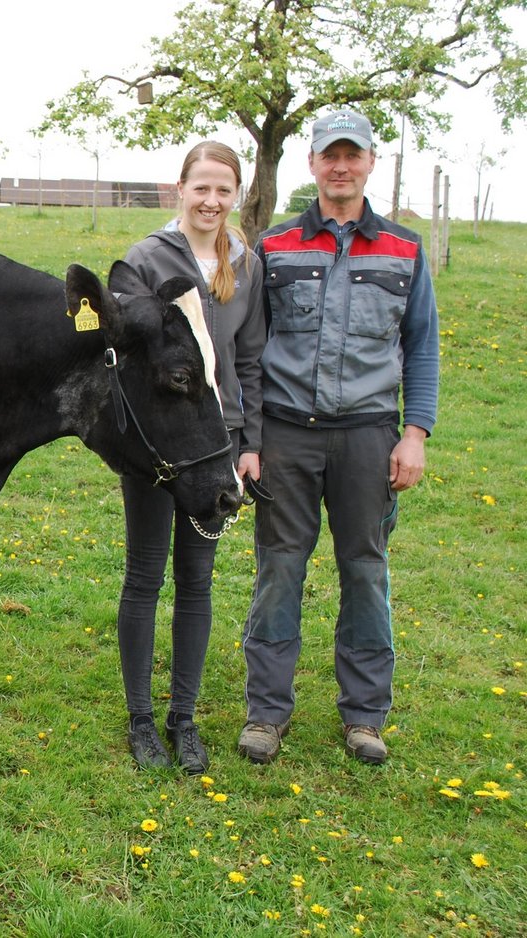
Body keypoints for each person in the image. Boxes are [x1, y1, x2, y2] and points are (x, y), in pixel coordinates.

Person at [238, 110, 439, 766]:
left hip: (368, 438)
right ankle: (266, 712)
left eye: (353, 155)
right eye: (330, 155)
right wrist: (253, 439)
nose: (341, 166)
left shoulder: (405, 251)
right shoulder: (275, 246)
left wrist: (414, 434)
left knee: (365, 572)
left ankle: (364, 715)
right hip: (289, 437)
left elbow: (422, 349)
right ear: (314, 164)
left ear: (371, 163)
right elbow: (252, 347)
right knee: (279, 572)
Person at [117, 141, 267, 773]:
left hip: (219, 444)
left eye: (223, 191)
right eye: (201, 188)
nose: (211, 201)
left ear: (237, 197)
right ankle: (142, 721)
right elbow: (124, 360)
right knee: (147, 575)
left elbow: (253, 360)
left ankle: (185, 718)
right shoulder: (144, 260)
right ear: (179, 188)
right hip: (160, 446)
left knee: (197, 580)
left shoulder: (247, 265)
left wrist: (251, 442)